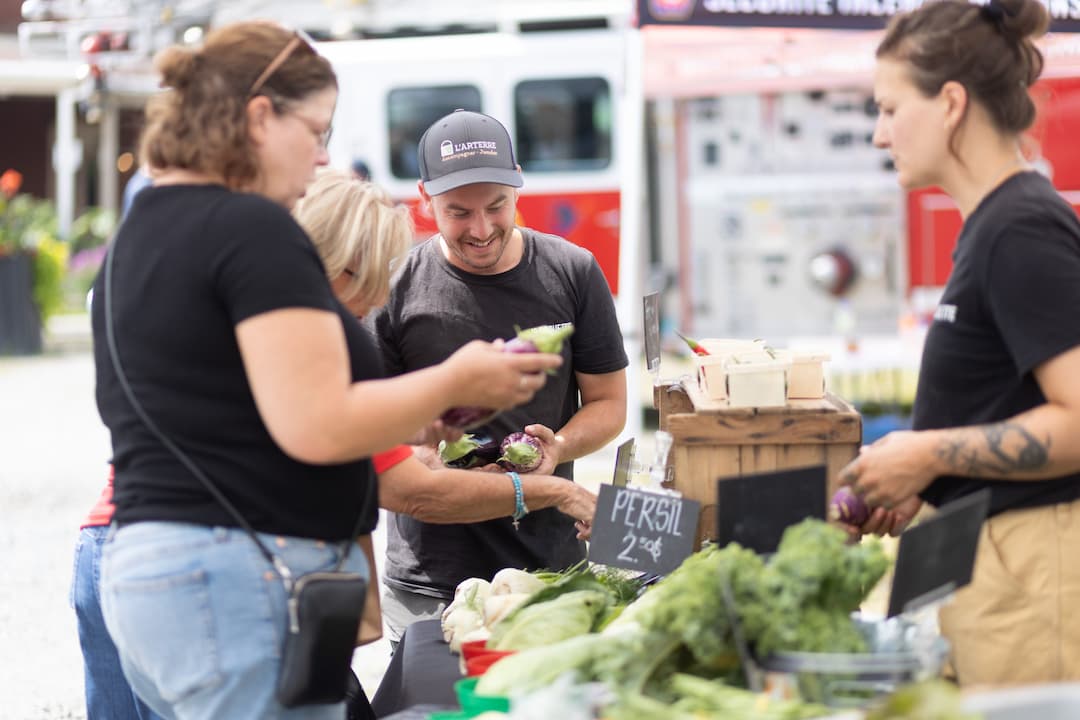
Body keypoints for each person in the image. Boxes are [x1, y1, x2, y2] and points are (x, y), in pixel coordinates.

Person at [93, 24, 560, 719]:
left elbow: (239, 408)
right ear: (259, 117)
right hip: (242, 581)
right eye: (316, 132)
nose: (321, 159)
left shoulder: (145, 227)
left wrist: (414, 414)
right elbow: (315, 424)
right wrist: (457, 382)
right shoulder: (252, 229)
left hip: (161, 578)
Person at [839, 0, 1080, 687]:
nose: (880, 135)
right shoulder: (992, 224)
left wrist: (923, 452)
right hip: (996, 565)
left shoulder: (1019, 228)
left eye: (889, 109)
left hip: (1035, 577)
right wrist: (929, 478)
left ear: (949, 103)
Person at [368, 110, 628, 641]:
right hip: (428, 582)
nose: (481, 230)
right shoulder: (394, 286)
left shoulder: (572, 269)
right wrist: (423, 453)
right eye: (458, 212)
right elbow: (374, 424)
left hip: (548, 571)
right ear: (425, 198)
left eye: (496, 206)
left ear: (517, 184)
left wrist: (560, 446)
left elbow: (610, 404)